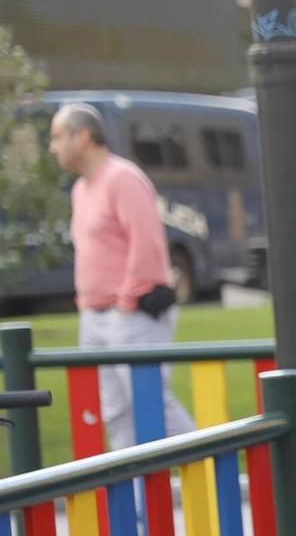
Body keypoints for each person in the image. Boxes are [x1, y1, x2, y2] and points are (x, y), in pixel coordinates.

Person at [46, 103, 197, 450]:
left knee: (150, 406)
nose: (53, 147)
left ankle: (214, 466)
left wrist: (126, 302)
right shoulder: (81, 190)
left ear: (82, 138)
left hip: (131, 313)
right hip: (95, 317)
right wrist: (87, 304)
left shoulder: (123, 178)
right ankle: (135, 500)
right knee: (115, 412)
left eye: (57, 137)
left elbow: (147, 246)